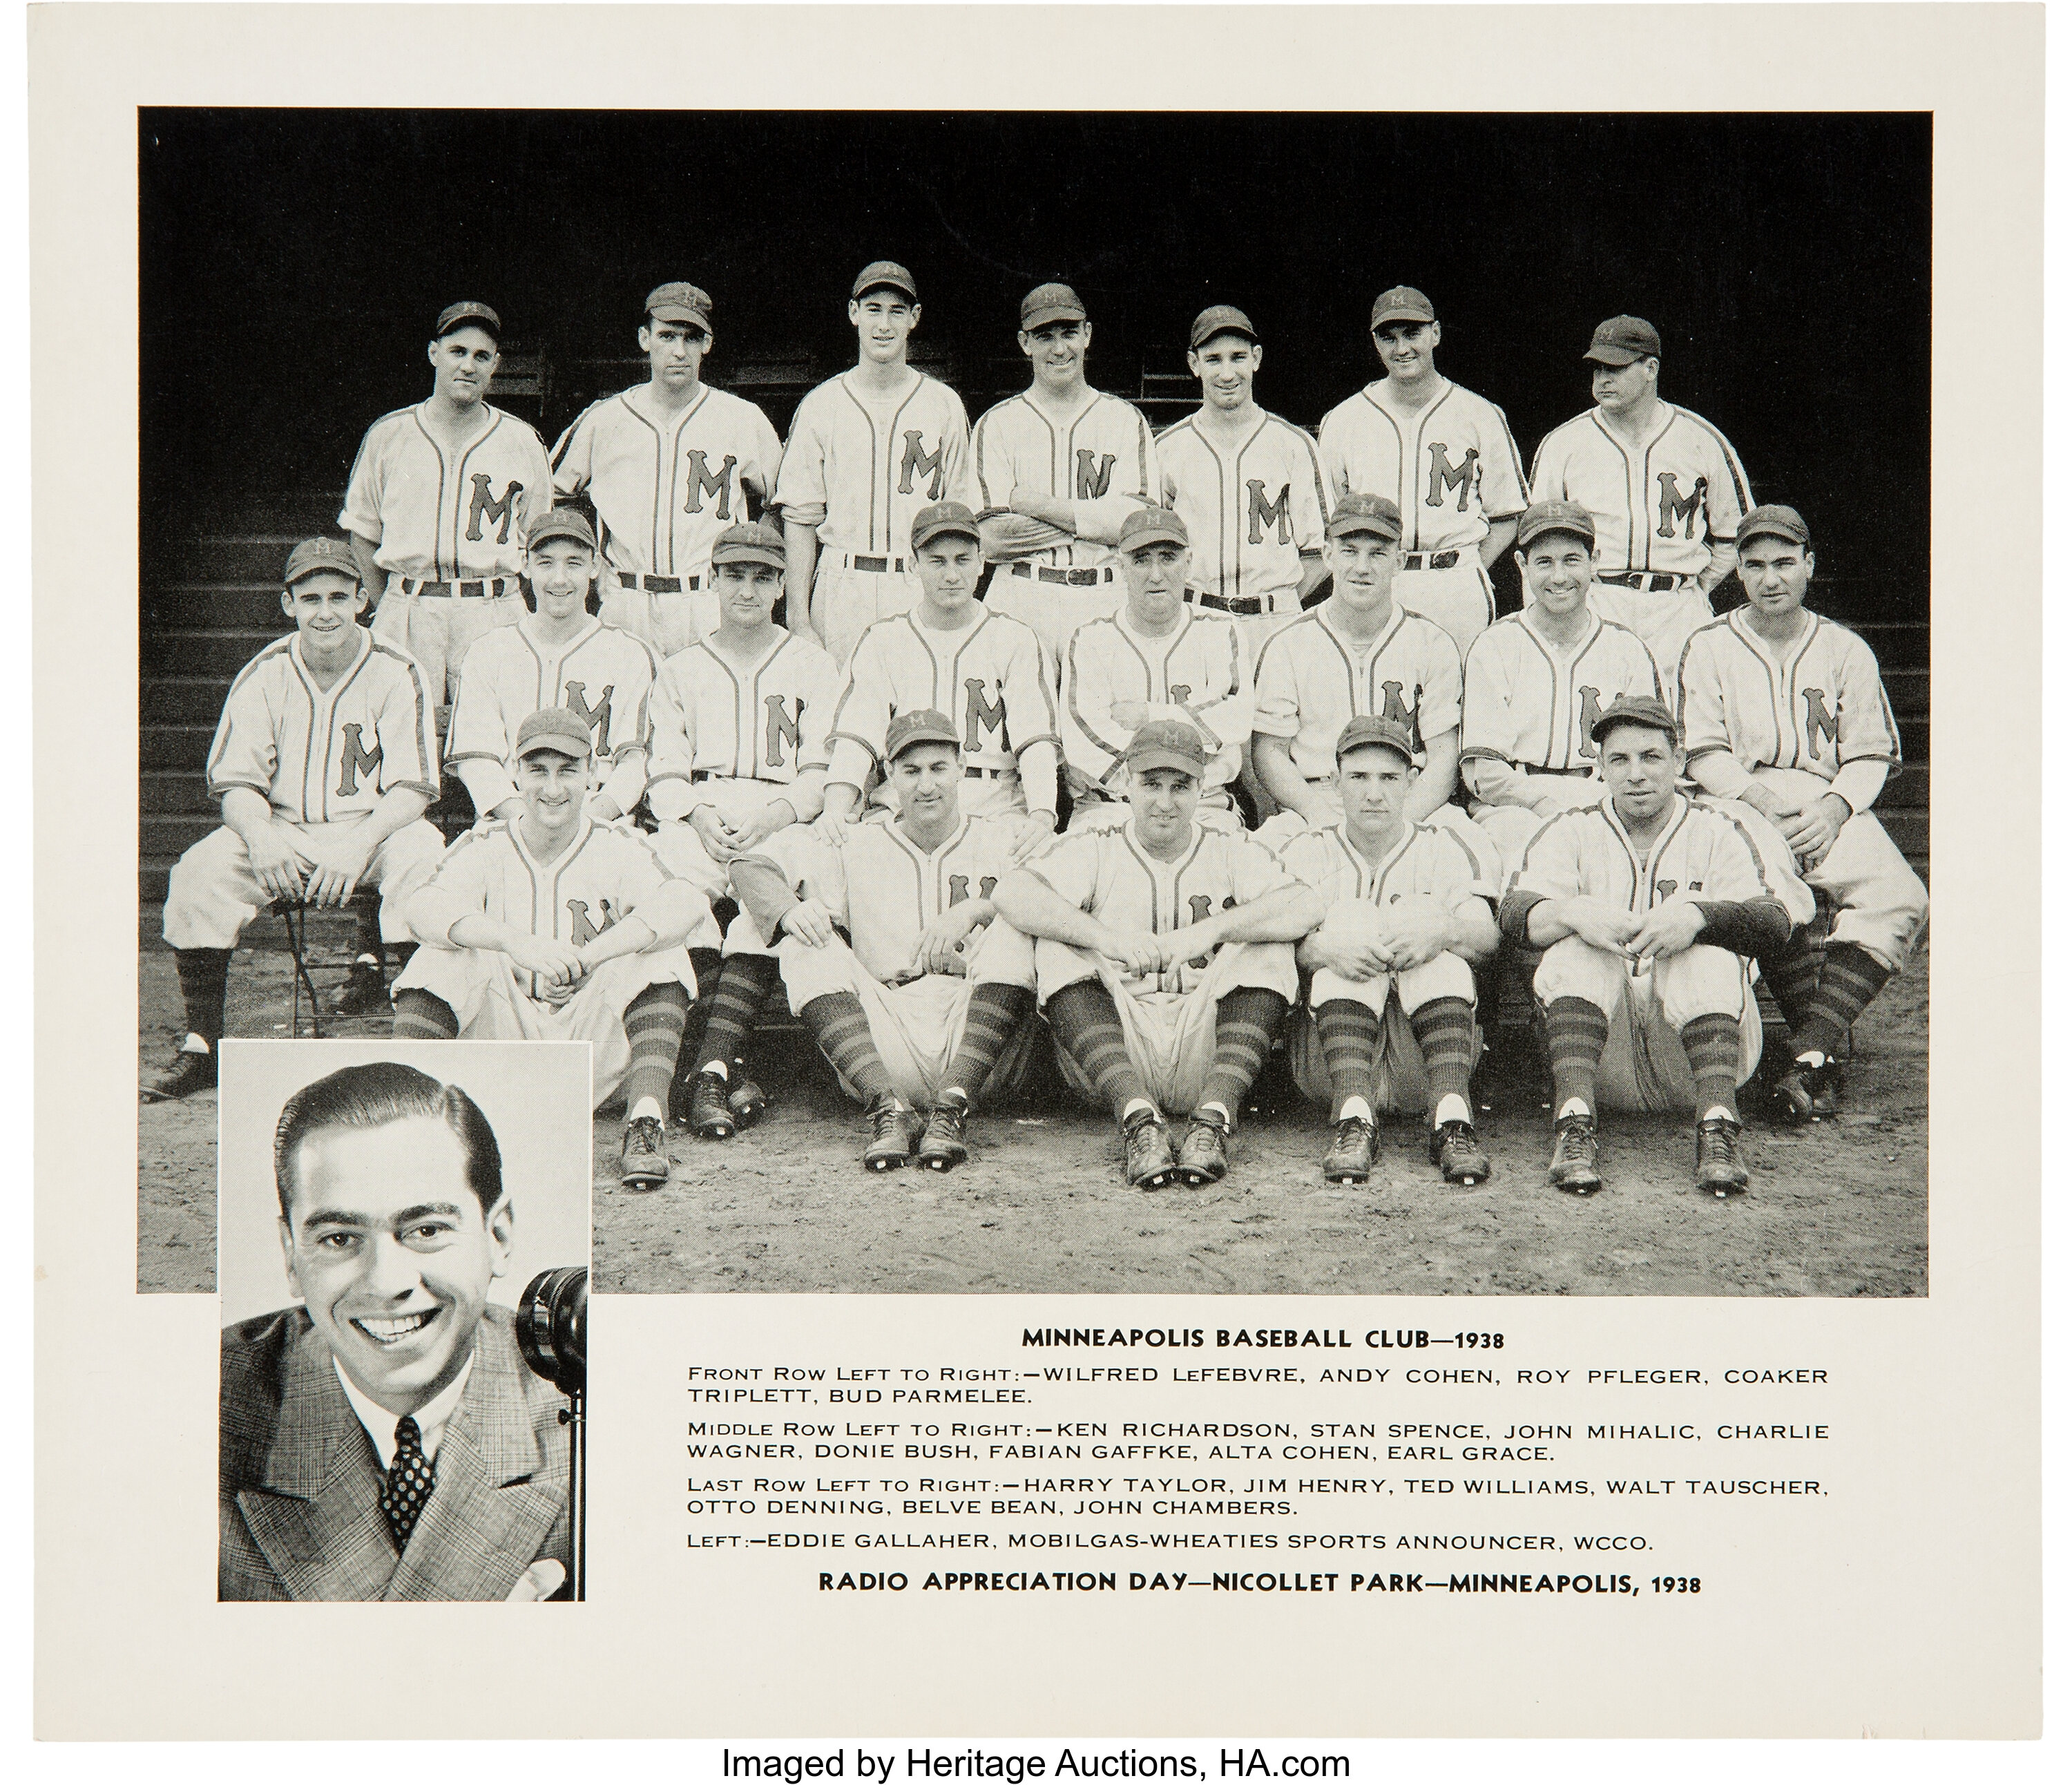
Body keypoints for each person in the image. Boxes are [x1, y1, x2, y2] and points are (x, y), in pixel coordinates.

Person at [220, 1060, 571, 1601]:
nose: (386, 1284)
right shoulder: (202, 1411)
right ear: (291, 1256)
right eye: (339, 1238)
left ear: (497, 1236)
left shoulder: (590, 1422)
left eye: (426, 1229)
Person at [144, 539, 445, 1100]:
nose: (325, 611)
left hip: (374, 831)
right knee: (198, 871)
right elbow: (235, 784)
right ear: (289, 605)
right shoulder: (264, 673)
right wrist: (259, 838)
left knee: (424, 852)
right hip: (282, 830)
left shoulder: (398, 670)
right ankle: (203, 1045)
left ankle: (415, 1041)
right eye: (311, 598)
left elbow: (413, 788)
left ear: (362, 599)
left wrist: (359, 845)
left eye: (338, 596)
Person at [990, 721, 1324, 1190]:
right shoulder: (1096, 845)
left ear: (1201, 787)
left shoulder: (1229, 847)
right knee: (1058, 941)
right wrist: (1105, 939)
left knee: (1266, 945)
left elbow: (1305, 904)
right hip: (1118, 1045)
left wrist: (1209, 932)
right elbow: (1014, 894)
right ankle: (1138, 1119)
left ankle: (1213, 1119)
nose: (1165, 802)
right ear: (1126, 782)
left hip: (1203, 1046)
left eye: (1180, 786)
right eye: (1151, 784)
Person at [1676, 504, 1928, 1122]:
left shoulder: (1846, 648)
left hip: (1829, 798)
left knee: (1901, 896)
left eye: (1785, 563)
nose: (1770, 578)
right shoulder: (1708, 644)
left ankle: (1807, 1050)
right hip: (1739, 797)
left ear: (1809, 566)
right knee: (1776, 896)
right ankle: (1817, 1052)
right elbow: (1703, 750)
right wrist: (1765, 807)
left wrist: (1835, 808)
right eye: (1756, 564)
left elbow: (1871, 752)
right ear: (1737, 568)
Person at [390, 708, 711, 1190]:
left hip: (591, 1044)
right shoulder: (486, 842)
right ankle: (404, 1122)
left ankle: (646, 1121)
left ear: (593, 776)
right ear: (515, 774)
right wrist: (514, 942)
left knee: (660, 952)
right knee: (441, 952)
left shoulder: (618, 841)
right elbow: (421, 909)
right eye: (537, 770)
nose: (553, 788)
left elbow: (685, 902)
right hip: (506, 1038)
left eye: (568, 771)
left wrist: (594, 955)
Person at [1499, 696, 1802, 1198]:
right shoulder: (1571, 826)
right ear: (1601, 767)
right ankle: (1574, 1123)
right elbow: (1512, 913)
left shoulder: (1718, 827)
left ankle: (1719, 1125)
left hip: (1698, 1057)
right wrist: (1571, 912)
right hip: (1600, 1060)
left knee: (1702, 950)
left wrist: (1700, 915)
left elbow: (1775, 922)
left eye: (1651, 757)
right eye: (1620, 760)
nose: (1636, 773)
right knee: (1579, 947)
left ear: (1679, 762)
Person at [728, 710, 1043, 1172]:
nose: (926, 785)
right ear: (889, 776)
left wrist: (979, 908)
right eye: (911, 771)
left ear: (961, 770)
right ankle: (887, 1109)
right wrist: (791, 910)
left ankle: (951, 1108)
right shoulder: (856, 842)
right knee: (805, 936)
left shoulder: (1005, 838)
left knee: (1017, 928)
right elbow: (748, 864)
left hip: (979, 1042)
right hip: (887, 1036)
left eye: (938, 768)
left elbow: (1062, 902)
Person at [644, 520, 843, 1138]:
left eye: (762, 577)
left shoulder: (813, 663)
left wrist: (775, 815)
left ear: (783, 584)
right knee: (675, 894)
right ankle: (726, 1064)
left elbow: (821, 769)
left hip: (781, 812)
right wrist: (698, 816)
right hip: (702, 812)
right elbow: (665, 773)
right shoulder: (681, 667)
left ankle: (707, 1072)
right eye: (735, 576)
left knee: (770, 901)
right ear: (715, 582)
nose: (748, 590)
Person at [1274, 717, 1502, 1186]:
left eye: (1388, 778)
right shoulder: (1304, 850)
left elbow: (1489, 938)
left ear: (1412, 782)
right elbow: (1268, 946)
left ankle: (1452, 1119)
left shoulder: (1444, 846)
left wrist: (1443, 931)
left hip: (1430, 1058)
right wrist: (1320, 949)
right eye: (1358, 778)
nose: (1373, 793)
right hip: (1328, 1061)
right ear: (1336, 782)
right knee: (1349, 923)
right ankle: (1353, 1120)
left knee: (1424, 919)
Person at [548, 281, 785, 656]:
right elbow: (552, 496)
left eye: (692, 338)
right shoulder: (603, 419)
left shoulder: (743, 419)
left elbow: (784, 503)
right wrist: (587, 562)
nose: (679, 351)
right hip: (626, 600)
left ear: (708, 343)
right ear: (645, 338)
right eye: (667, 336)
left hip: (708, 600)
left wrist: (750, 560)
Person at [340, 300, 552, 709]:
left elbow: (540, 539)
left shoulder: (523, 441)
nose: (468, 366)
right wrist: (387, 606)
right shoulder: (389, 435)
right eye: (458, 352)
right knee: (403, 739)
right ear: (434, 353)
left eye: (481, 356)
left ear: (495, 365)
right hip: (408, 605)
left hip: (493, 608)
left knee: (499, 737)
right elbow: (362, 534)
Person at [816, 502, 1059, 853]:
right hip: (904, 807)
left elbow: (1036, 741)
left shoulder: (1016, 638)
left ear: (981, 561)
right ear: (914, 565)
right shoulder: (882, 640)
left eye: (962, 559)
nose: (952, 575)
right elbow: (856, 738)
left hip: (994, 806)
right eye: (937, 561)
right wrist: (836, 810)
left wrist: (1042, 816)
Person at [1528, 314, 1752, 678]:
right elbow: (1536, 542)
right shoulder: (1563, 443)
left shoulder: (1701, 439)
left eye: (1616, 367)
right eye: (1598, 369)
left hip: (1678, 605)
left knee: (1682, 723)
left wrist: (1697, 586)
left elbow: (1737, 535)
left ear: (1651, 368)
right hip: (1596, 599)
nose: (1603, 379)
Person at [774, 260, 974, 666]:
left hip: (919, 580)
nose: (884, 325)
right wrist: (798, 617)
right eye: (873, 309)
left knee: (922, 716)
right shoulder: (821, 405)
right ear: (853, 313)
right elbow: (800, 517)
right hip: (842, 580)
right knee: (838, 717)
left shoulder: (944, 405)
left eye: (896, 311)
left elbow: (962, 515)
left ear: (914, 318)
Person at [1317, 285, 1528, 658]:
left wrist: (1471, 565)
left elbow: (1508, 513)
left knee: (1458, 702)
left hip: (1454, 578)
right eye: (1389, 337)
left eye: (1412, 334)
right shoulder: (1344, 419)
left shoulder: (1480, 414)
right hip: (1376, 578)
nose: (1402, 349)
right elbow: (1327, 517)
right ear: (1375, 342)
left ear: (1436, 334)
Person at [1251, 493, 1471, 846]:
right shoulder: (1288, 643)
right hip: (1319, 799)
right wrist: (1317, 813)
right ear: (1327, 556)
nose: (1362, 567)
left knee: (1471, 855)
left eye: (1378, 553)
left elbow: (1445, 755)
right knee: (1262, 865)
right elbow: (1269, 752)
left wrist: (1404, 821)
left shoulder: (1433, 642)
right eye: (1350, 550)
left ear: (1398, 561)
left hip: (1409, 799)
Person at [1459, 499, 1662, 875]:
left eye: (1572, 560)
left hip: (1605, 796)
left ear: (1594, 561)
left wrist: (1599, 801)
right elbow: (1483, 771)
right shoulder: (1495, 645)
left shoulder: (1627, 648)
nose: (1559, 576)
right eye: (1544, 562)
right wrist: (1548, 803)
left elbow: (1648, 757)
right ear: (1522, 566)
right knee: (1527, 864)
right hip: (1514, 806)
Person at [970, 283, 1162, 669]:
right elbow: (990, 539)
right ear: (1025, 343)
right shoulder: (997, 424)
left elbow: (1137, 525)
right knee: (1020, 726)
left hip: (1105, 594)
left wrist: (1038, 506)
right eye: (1045, 337)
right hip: (1021, 593)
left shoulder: (1125, 420)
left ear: (1087, 335)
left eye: (1069, 333)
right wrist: (1100, 520)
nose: (1060, 349)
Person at [443, 506, 660, 825]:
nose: (559, 579)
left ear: (595, 566)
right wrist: (523, 820)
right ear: (525, 565)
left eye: (574, 563)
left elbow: (636, 762)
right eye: (546, 563)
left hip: (601, 825)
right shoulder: (488, 651)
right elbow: (477, 759)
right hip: (508, 822)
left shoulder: (630, 653)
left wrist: (589, 820)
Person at [1060, 506, 1251, 832]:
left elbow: (1238, 717)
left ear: (1188, 562)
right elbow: (1083, 745)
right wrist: (1179, 760)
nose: (1156, 574)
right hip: (1109, 810)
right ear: (1121, 567)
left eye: (1167, 557)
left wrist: (1148, 716)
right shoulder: (1091, 639)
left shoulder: (1221, 630)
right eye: (1141, 560)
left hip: (1205, 806)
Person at [1157, 305, 1330, 656]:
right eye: (1213, 359)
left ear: (1256, 358)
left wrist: (1279, 605)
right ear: (1194, 364)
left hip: (1276, 620)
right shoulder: (1168, 448)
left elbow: (1321, 553)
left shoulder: (1294, 444)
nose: (1227, 373)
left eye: (1237, 357)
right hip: (1195, 615)